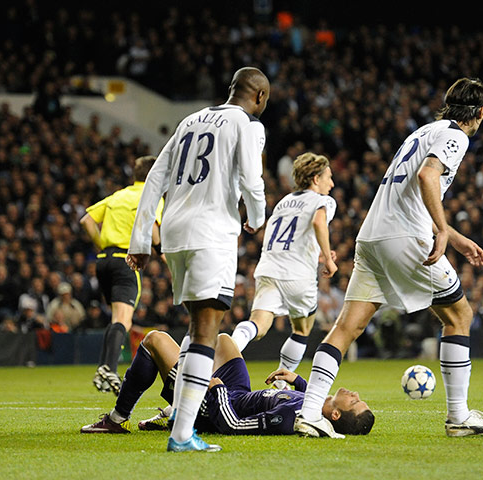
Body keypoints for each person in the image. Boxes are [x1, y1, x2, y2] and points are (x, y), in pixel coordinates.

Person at [295, 78, 483, 439]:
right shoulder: (457, 136)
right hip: (406, 238)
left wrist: (453, 235)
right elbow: (427, 176)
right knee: (459, 315)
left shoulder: (423, 132)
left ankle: (311, 412)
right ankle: (458, 416)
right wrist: (441, 230)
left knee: (347, 327)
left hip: (373, 235)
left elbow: (413, 192)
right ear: (481, 112)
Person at [126, 66, 270, 452]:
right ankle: (182, 434)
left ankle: (179, 415)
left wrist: (140, 239)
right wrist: (257, 217)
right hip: (211, 232)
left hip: (174, 232)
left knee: (195, 326)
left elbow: (155, 177)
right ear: (259, 98)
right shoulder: (248, 124)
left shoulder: (190, 120)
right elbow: (252, 179)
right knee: (207, 329)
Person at [79, 331, 374, 436]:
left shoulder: (287, 420)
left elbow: (231, 425)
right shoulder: (313, 409)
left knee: (155, 340)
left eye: (355, 401)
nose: (355, 393)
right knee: (223, 342)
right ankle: (176, 407)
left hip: (217, 406)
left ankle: (118, 419)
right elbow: (309, 397)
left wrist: (215, 388)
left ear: (335, 415)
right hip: (239, 393)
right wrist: (297, 379)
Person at [230, 152, 337, 389]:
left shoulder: (283, 202)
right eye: (328, 177)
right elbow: (319, 223)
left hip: (268, 268)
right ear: (315, 179)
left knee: (258, 324)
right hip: (298, 274)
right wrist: (328, 258)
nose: (331, 184)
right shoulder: (324, 201)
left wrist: (317, 250)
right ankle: (282, 381)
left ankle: (232, 346)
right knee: (302, 328)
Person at [79, 155, 164, 395]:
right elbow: (155, 228)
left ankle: (105, 369)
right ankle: (108, 368)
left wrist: (101, 246)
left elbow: (87, 221)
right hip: (126, 261)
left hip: (104, 261)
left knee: (117, 318)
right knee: (123, 319)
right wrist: (162, 253)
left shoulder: (118, 195)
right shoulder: (151, 195)